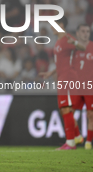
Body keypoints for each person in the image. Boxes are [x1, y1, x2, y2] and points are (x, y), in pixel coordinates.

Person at [40, 17, 85, 150]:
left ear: (61, 25)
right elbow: (62, 62)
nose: (51, 28)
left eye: (54, 25)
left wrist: (76, 43)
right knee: (64, 109)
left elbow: (82, 47)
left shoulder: (67, 39)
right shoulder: (58, 42)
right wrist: (52, 72)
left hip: (69, 78)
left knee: (66, 108)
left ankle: (71, 142)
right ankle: (76, 137)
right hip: (61, 77)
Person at [72, 24, 93, 150]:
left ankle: (88, 143)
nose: (86, 33)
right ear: (77, 33)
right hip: (76, 86)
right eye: (83, 31)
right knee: (68, 112)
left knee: (91, 114)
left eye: (88, 31)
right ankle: (78, 136)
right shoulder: (72, 49)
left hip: (90, 86)